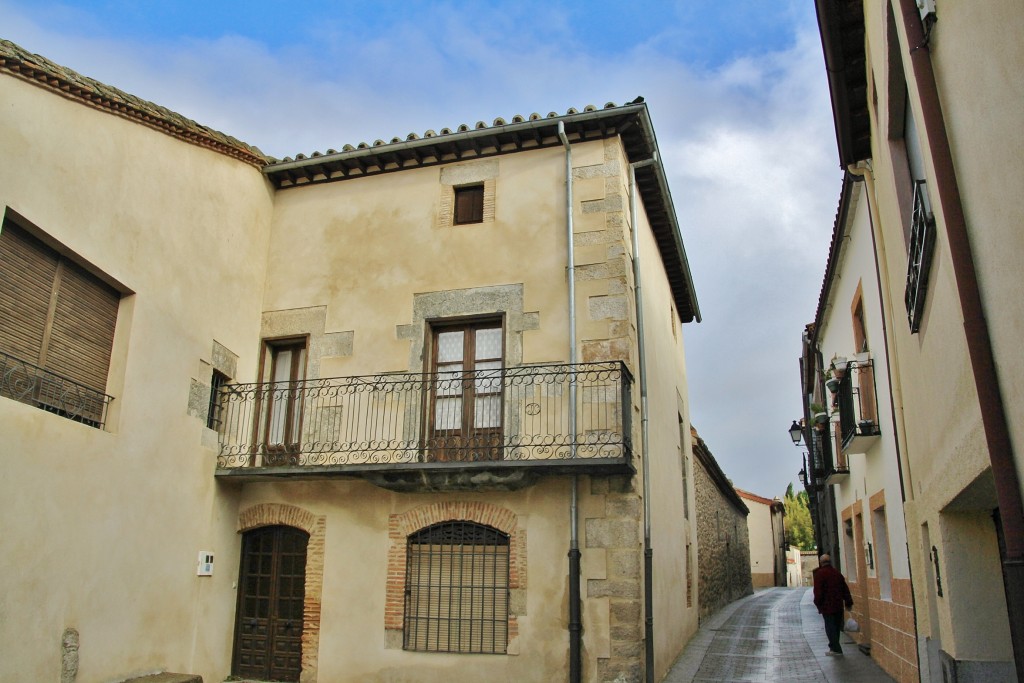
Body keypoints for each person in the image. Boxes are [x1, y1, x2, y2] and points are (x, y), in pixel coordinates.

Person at [812, 553, 853, 656]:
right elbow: (845, 589)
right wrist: (848, 602)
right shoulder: (837, 573)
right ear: (830, 562)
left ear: (821, 562)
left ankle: (836, 649)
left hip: (827, 606)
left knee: (830, 627)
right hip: (838, 605)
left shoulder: (819, 574)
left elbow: (818, 592)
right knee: (836, 627)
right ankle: (834, 647)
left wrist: (818, 604)